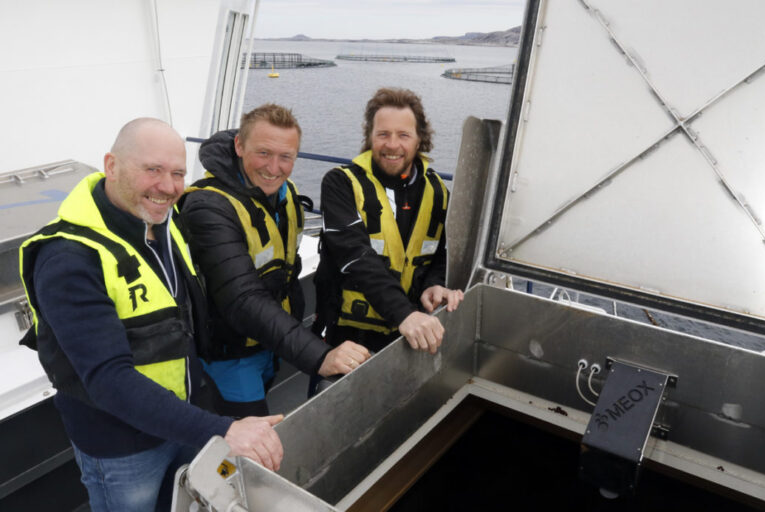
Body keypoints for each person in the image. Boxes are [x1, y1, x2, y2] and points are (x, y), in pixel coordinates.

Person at [19, 118, 283, 512]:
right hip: (122, 445)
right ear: (112, 166)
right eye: (153, 169)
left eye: (178, 173)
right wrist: (224, 428)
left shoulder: (162, 222)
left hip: (183, 418)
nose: (169, 187)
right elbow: (108, 380)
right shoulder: (68, 259)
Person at [180, 104, 370, 418]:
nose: (274, 168)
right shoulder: (207, 208)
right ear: (239, 146)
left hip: (272, 341)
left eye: (286, 157)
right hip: (231, 354)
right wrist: (319, 355)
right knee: (250, 435)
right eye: (264, 153)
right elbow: (242, 298)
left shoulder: (285, 193)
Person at [315, 87, 464, 355]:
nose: (393, 145)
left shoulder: (438, 192)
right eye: (383, 134)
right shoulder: (340, 184)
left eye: (403, 135)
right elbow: (354, 255)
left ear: (419, 139)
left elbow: (442, 254)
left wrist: (434, 284)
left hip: (409, 335)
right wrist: (404, 313)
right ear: (370, 137)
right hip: (348, 337)